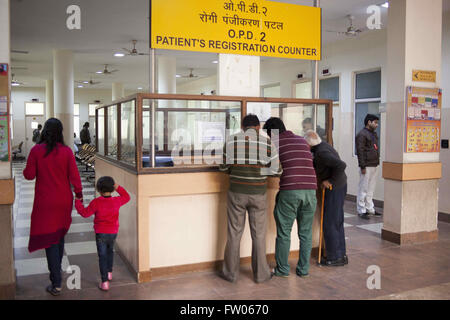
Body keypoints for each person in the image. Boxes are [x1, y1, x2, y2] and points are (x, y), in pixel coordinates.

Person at [23, 118, 83, 296]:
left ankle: (56, 282)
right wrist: (79, 195)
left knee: (50, 240)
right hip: (64, 201)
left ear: (44, 132)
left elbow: (29, 175)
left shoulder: (36, 150)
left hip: (45, 202)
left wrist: (30, 165)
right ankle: (57, 274)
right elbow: (75, 177)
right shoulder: (66, 151)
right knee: (58, 234)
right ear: (60, 132)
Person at [219, 114, 281, 283]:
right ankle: (261, 275)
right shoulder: (267, 143)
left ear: (242, 126)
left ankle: (230, 274)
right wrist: (259, 172)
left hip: (236, 193)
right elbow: (277, 171)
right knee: (259, 235)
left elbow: (223, 167)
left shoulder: (231, 141)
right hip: (258, 194)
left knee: (234, 233)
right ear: (258, 127)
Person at [263, 117, 317, 278]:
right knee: (306, 233)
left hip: (291, 191)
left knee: (284, 232)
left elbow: (271, 170)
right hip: (311, 190)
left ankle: (282, 270)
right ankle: (303, 269)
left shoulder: (275, 143)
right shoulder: (301, 140)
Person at [75, 176, 130, 291]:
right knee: (110, 252)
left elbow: (85, 213)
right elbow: (127, 197)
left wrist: (78, 202)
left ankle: (104, 282)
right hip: (113, 232)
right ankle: (109, 272)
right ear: (112, 188)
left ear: (98, 189)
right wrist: (118, 187)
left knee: (102, 256)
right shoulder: (116, 201)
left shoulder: (96, 202)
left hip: (101, 233)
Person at [305, 130, 348, 267]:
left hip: (334, 188)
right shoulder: (323, 146)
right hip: (339, 186)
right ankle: (340, 255)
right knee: (337, 221)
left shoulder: (321, 153)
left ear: (309, 144)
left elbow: (341, 165)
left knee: (330, 222)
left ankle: (334, 257)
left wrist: (330, 181)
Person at [355, 114, 381, 219]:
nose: (377, 125)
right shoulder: (362, 134)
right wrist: (362, 166)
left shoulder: (373, 134)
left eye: (377, 123)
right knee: (363, 188)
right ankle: (361, 209)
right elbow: (360, 151)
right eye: (375, 122)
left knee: (371, 189)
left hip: (374, 164)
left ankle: (370, 208)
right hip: (366, 166)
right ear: (369, 122)